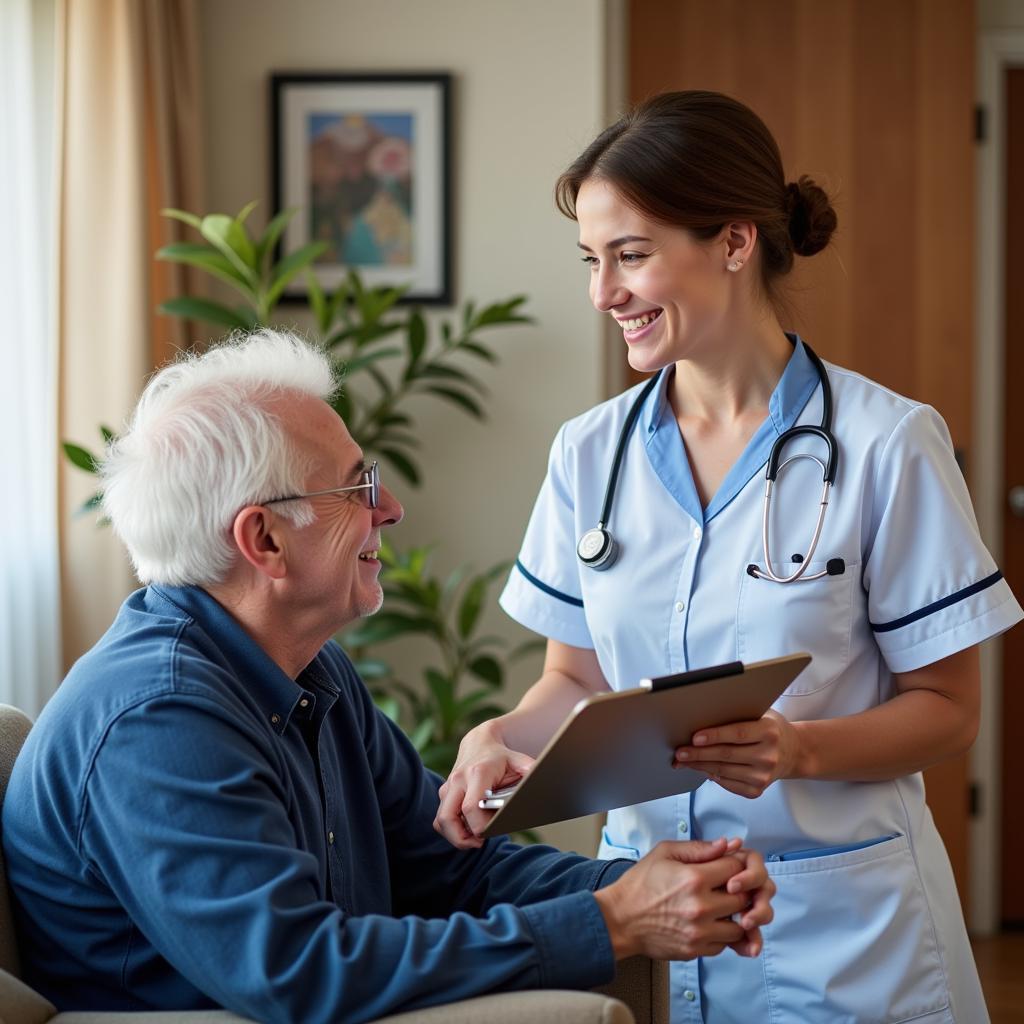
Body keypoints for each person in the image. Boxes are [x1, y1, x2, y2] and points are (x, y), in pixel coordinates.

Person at [434, 91, 1024, 1023]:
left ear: (735, 243)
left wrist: (798, 748)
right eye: (593, 261)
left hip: (843, 933)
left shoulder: (885, 443)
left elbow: (949, 713)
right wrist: (501, 739)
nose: (603, 293)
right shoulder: (590, 453)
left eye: (632, 255)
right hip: (654, 919)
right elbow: (574, 682)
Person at [1, 330, 774, 1024]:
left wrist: (649, 880)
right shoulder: (158, 719)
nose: (392, 509)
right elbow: (301, 973)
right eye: (357, 489)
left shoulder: (309, 670)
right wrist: (612, 921)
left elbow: (449, 871)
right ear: (263, 538)